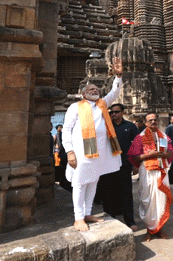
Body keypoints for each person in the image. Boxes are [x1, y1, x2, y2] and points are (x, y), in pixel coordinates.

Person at [62, 57, 124, 231]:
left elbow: (115, 92)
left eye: (96, 88)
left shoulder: (102, 105)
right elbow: (66, 130)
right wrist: (70, 151)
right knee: (80, 183)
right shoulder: (75, 107)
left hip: (100, 151)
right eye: (90, 88)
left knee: (93, 181)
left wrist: (118, 75)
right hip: (82, 152)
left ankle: (87, 212)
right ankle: (78, 217)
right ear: (83, 94)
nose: (94, 89)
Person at [127, 112, 173, 241]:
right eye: (150, 121)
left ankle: (159, 228)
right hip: (147, 171)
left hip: (161, 170)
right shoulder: (140, 137)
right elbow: (135, 156)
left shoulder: (164, 136)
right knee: (146, 200)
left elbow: (171, 152)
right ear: (145, 123)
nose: (153, 122)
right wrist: (150, 155)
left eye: (155, 120)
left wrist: (166, 155)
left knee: (161, 200)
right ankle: (149, 229)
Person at [97, 103, 140, 231]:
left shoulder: (130, 126)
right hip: (108, 165)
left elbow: (137, 145)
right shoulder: (105, 127)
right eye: (111, 112)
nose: (114, 114)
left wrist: (136, 164)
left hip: (124, 165)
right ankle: (110, 218)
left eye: (116, 112)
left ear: (122, 112)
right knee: (108, 192)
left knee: (126, 193)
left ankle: (130, 220)